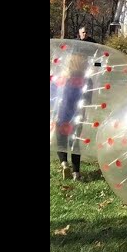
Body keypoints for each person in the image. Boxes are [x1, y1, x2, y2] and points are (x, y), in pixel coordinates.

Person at [53, 51, 90, 180]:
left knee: (61, 140)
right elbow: (86, 101)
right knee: (75, 143)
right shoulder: (87, 80)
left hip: (62, 114)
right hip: (77, 116)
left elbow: (54, 96)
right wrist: (83, 116)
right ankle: (76, 173)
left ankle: (64, 163)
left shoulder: (63, 79)